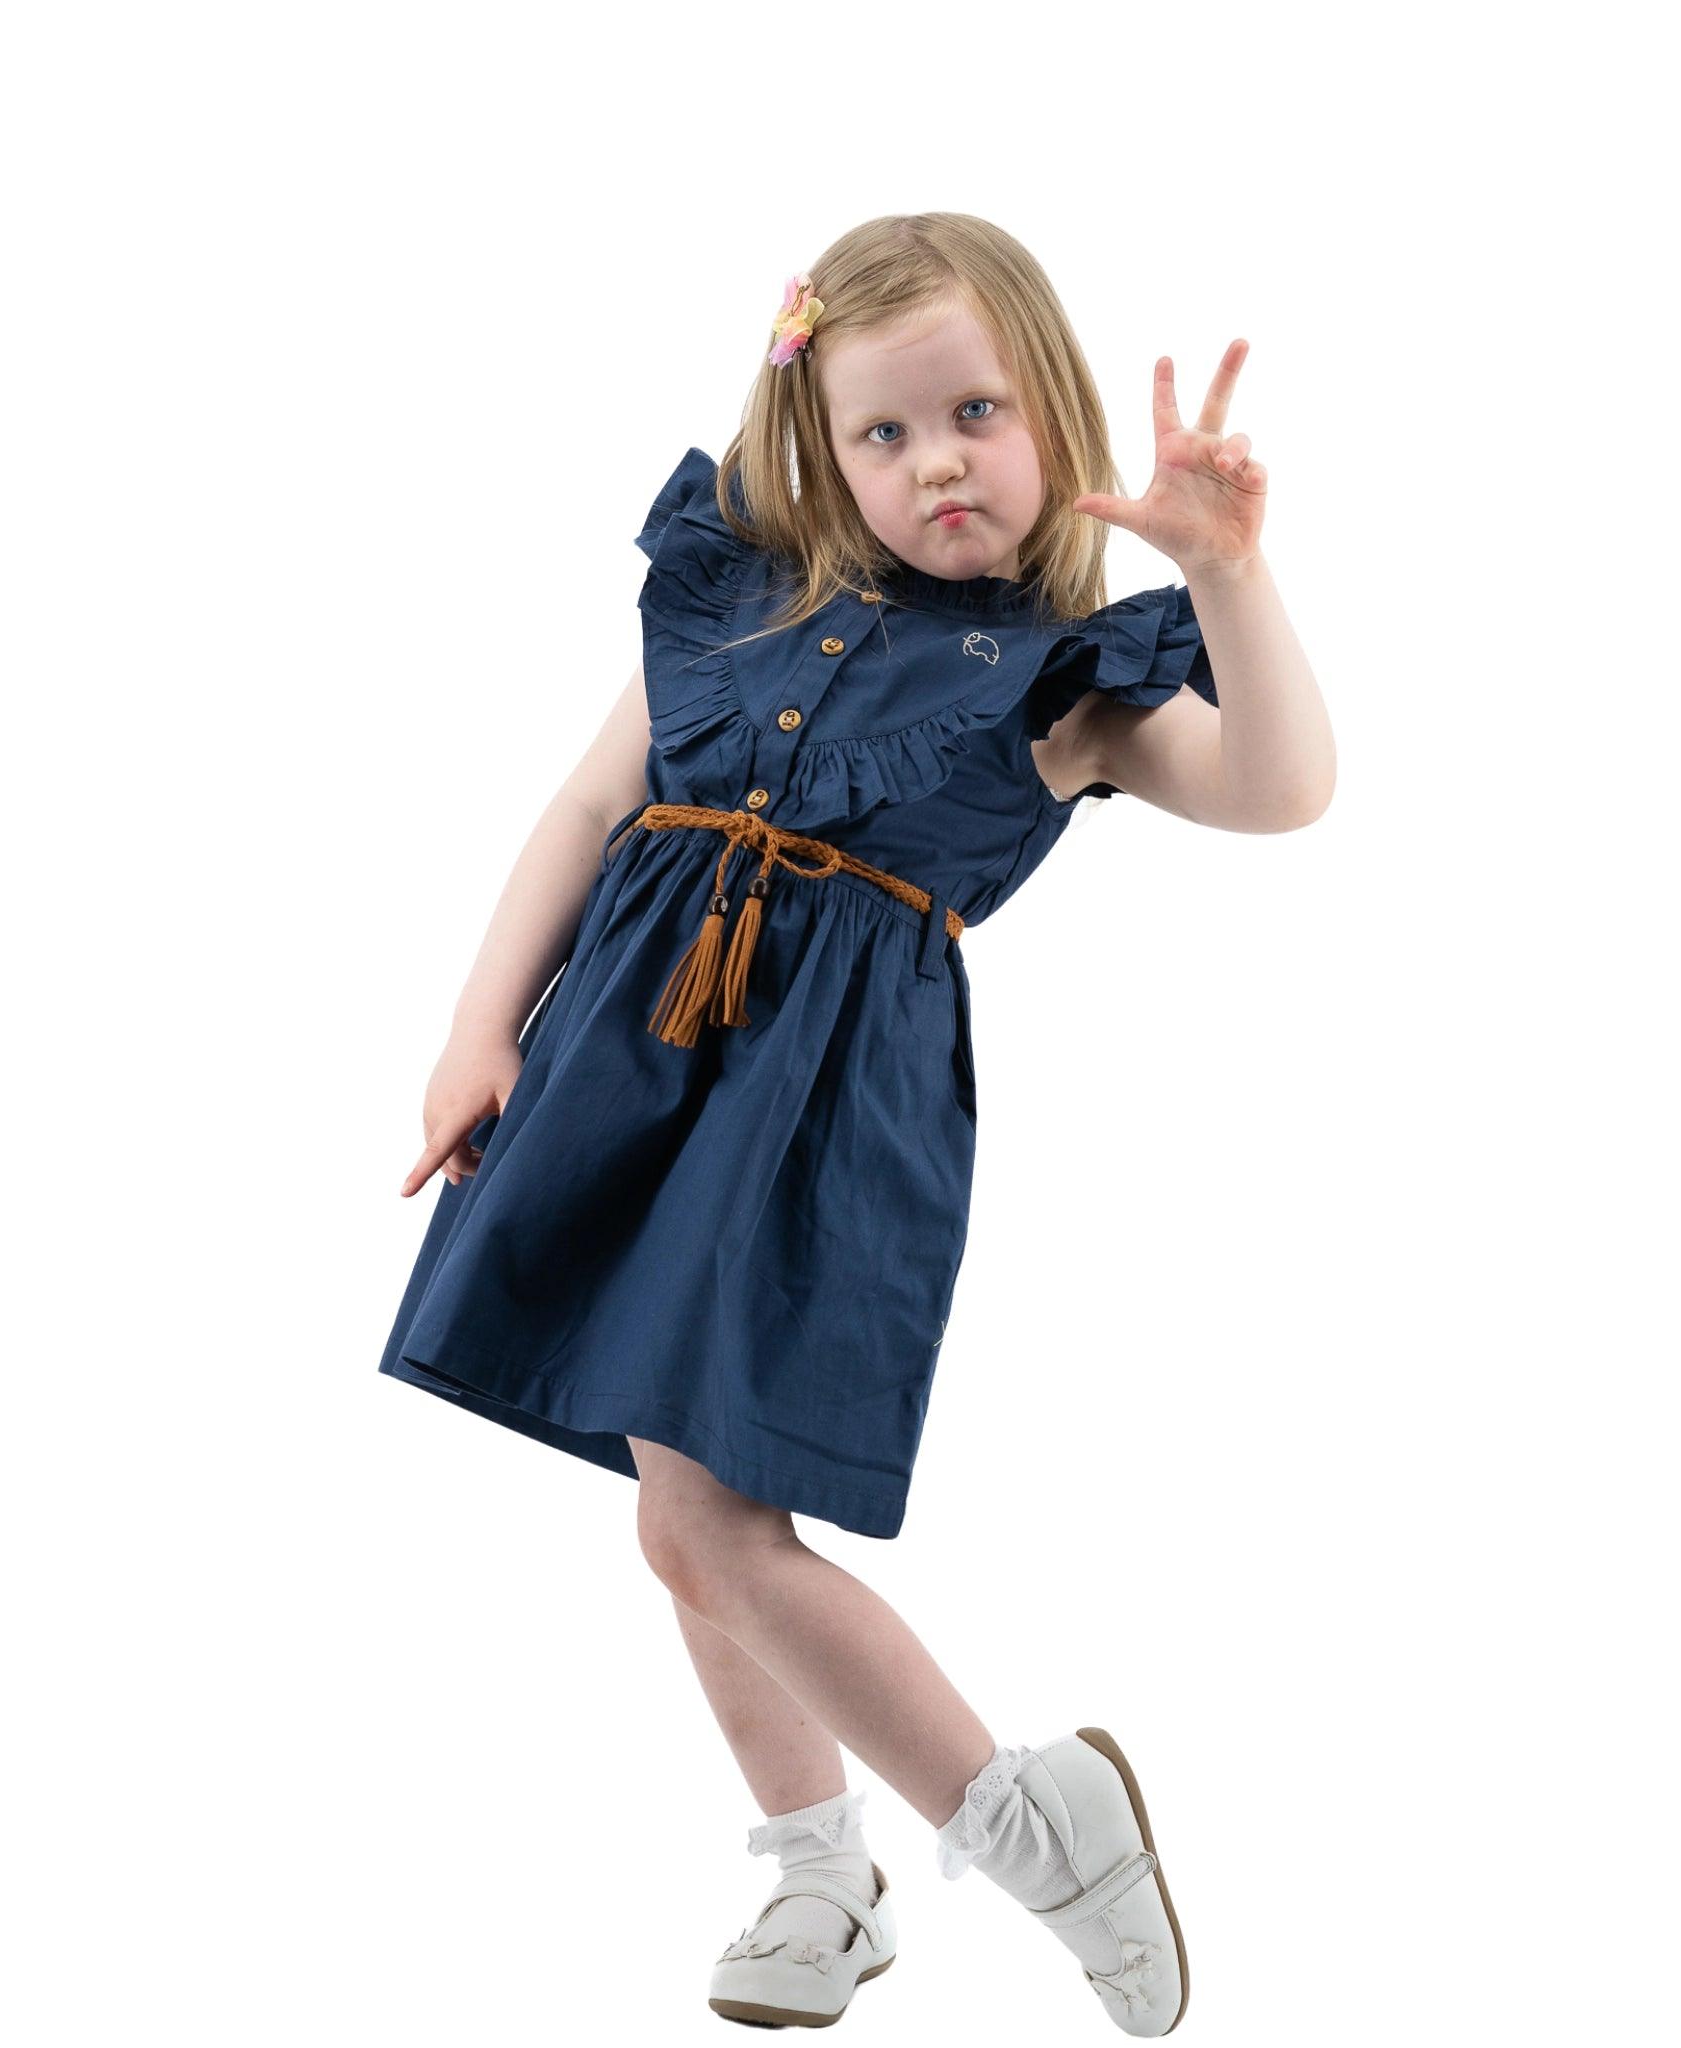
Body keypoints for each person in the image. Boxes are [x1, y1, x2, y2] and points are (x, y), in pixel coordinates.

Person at [376, 211, 1333, 2035]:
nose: (932, 463)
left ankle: (1038, 1829)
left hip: (813, 1119)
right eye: (879, 434)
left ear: (1048, 408)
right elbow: (590, 806)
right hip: (629, 1072)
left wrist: (1230, 581)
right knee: (674, 1513)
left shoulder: (1070, 674)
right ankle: (823, 1882)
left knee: (715, 1526)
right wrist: (477, 1030)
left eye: (971, 411)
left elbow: (1280, 791)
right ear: (818, 444)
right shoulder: (739, 593)